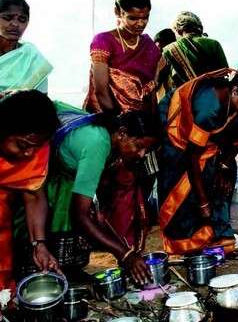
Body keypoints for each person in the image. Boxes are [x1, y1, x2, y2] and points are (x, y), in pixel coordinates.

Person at [13, 101, 159, 285]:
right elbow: (79, 215)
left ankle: (67, 271)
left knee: (79, 219)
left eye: (146, 150)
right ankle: (38, 278)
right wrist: (126, 255)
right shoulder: (98, 143)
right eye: (138, 146)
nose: (140, 154)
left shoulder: (108, 140)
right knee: (47, 224)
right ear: (122, 133)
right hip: (46, 179)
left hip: (64, 179)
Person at [158, 68, 238, 254]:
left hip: (207, 145)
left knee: (222, 181)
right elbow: (192, 156)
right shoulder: (209, 107)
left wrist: (223, 166)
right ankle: (185, 242)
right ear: (235, 92)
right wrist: (203, 203)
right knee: (183, 188)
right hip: (179, 138)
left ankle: (218, 236)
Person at [0, 91, 60, 292]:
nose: (29, 153)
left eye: (35, 147)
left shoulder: (35, 147)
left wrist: (39, 244)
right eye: (23, 145)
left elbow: (33, 195)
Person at [84, 0, 160, 114]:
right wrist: (119, 123)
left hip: (143, 118)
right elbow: (101, 91)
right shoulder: (103, 41)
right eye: (133, 18)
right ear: (118, 12)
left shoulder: (148, 45)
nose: (141, 24)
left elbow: (151, 89)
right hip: (110, 117)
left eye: (145, 18)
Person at [155, 11, 228, 101]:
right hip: (215, 100)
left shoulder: (169, 50)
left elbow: (156, 81)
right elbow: (224, 72)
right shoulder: (214, 44)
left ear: (178, 30)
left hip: (186, 105)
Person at [0, 0, 52, 92]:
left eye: (22, 19)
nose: (15, 24)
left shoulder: (32, 57)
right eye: (7, 17)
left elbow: (41, 100)